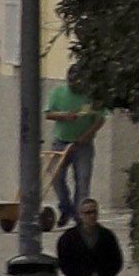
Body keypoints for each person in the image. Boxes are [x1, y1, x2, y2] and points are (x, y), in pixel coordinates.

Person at [43, 77, 102, 215]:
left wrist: (88, 135)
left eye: (78, 83)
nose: (75, 86)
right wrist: (64, 115)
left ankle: (80, 216)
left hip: (83, 145)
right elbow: (48, 114)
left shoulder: (91, 96)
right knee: (56, 177)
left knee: (82, 180)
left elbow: (100, 119)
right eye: (72, 83)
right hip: (61, 142)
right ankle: (65, 206)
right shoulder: (58, 92)